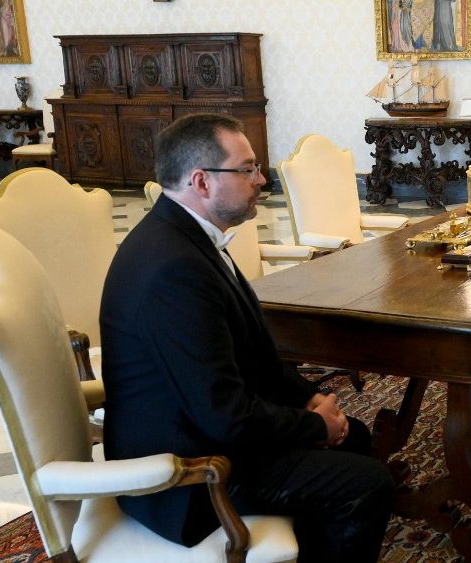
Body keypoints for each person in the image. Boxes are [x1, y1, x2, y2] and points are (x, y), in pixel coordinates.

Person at [100, 113, 394, 562]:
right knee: (366, 482)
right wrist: (314, 425)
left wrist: (308, 398)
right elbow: (225, 415)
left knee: (352, 436)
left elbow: (252, 355)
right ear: (201, 181)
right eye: (247, 168)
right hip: (189, 472)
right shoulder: (171, 268)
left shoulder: (187, 239)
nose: (261, 180)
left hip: (205, 431)